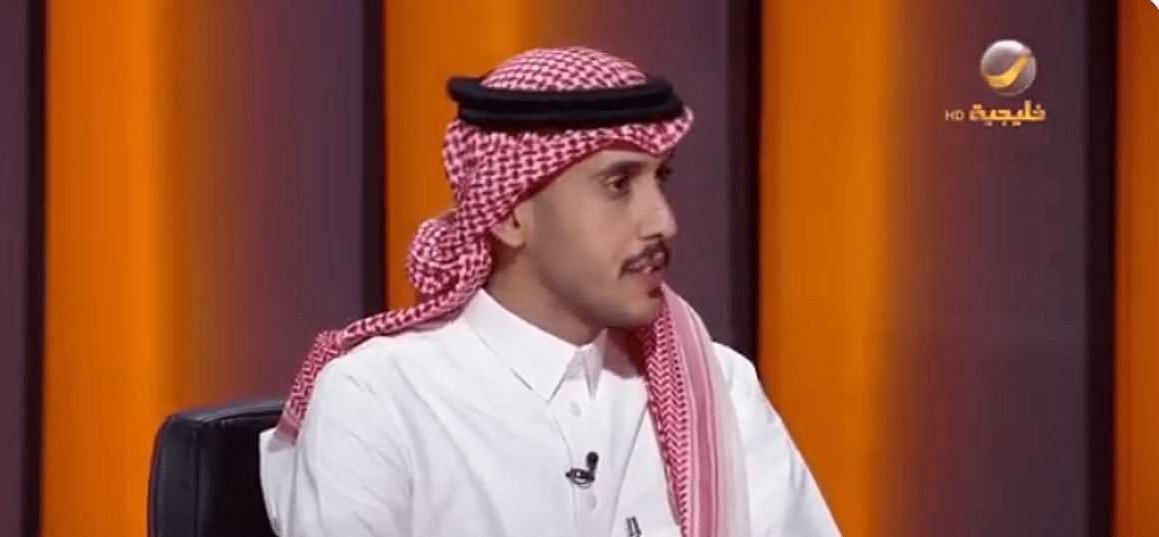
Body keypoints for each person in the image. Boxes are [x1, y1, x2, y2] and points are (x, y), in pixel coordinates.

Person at [258, 46, 839, 537]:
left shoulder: (716, 385)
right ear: (510, 214)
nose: (662, 221)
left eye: (660, 178)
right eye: (618, 185)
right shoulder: (380, 399)